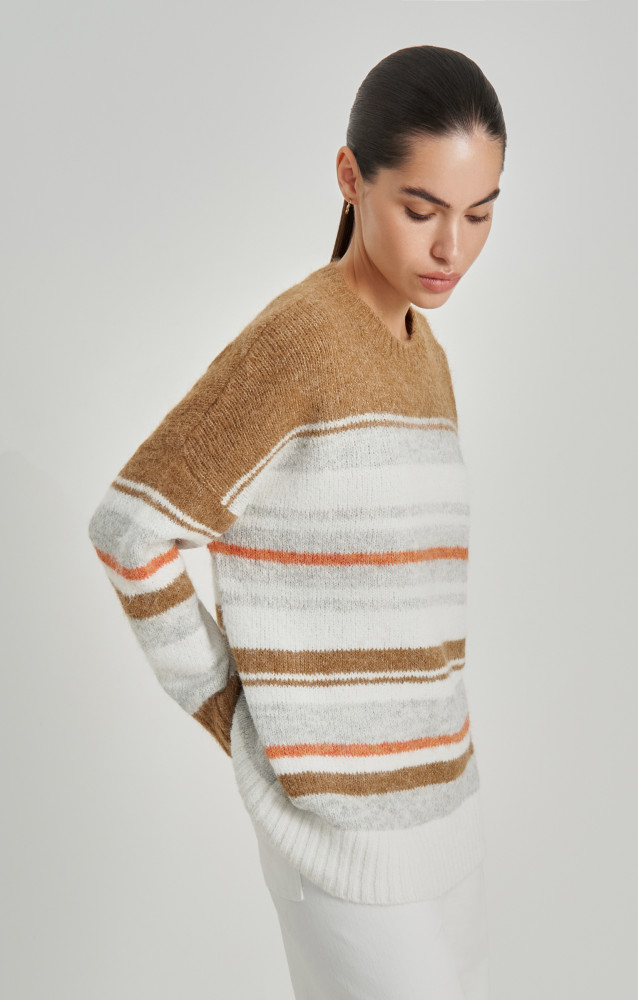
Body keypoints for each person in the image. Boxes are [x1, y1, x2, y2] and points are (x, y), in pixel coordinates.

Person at [88, 43, 506, 1000]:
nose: (452, 248)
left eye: (480, 214)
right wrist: (243, 721)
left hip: (449, 821)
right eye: (422, 210)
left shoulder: (426, 355)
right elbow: (129, 530)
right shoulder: (302, 339)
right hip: (339, 844)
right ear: (352, 178)